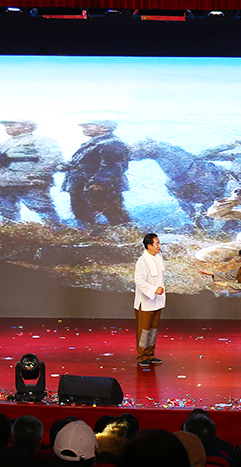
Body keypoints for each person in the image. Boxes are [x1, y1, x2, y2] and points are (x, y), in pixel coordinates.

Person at [0, 119, 63, 225]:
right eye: (6, 126)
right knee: (5, 212)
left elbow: (52, 159)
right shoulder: (2, 144)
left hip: (29, 183)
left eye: (11, 125)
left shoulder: (42, 140)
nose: (7, 128)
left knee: (42, 209)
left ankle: (55, 230)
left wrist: (37, 176)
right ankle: (11, 231)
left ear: (27, 126)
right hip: (0, 183)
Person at [62, 120, 131, 228]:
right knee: (82, 214)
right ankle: (92, 233)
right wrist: (64, 166)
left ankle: (126, 233)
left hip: (100, 187)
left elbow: (113, 166)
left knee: (113, 214)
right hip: (81, 185)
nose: (84, 129)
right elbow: (84, 162)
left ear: (104, 128)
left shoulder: (112, 143)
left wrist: (99, 183)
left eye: (88, 126)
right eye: (83, 127)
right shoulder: (94, 143)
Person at [134, 233, 166, 367]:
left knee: (153, 330)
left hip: (157, 301)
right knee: (144, 330)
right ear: (149, 246)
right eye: (156, 243)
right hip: (146, 301)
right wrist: (153, 289)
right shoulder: (142, 261)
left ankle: (150, 354)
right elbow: (139, 281)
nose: (159, 246)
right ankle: (142, 356)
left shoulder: (158, 257)